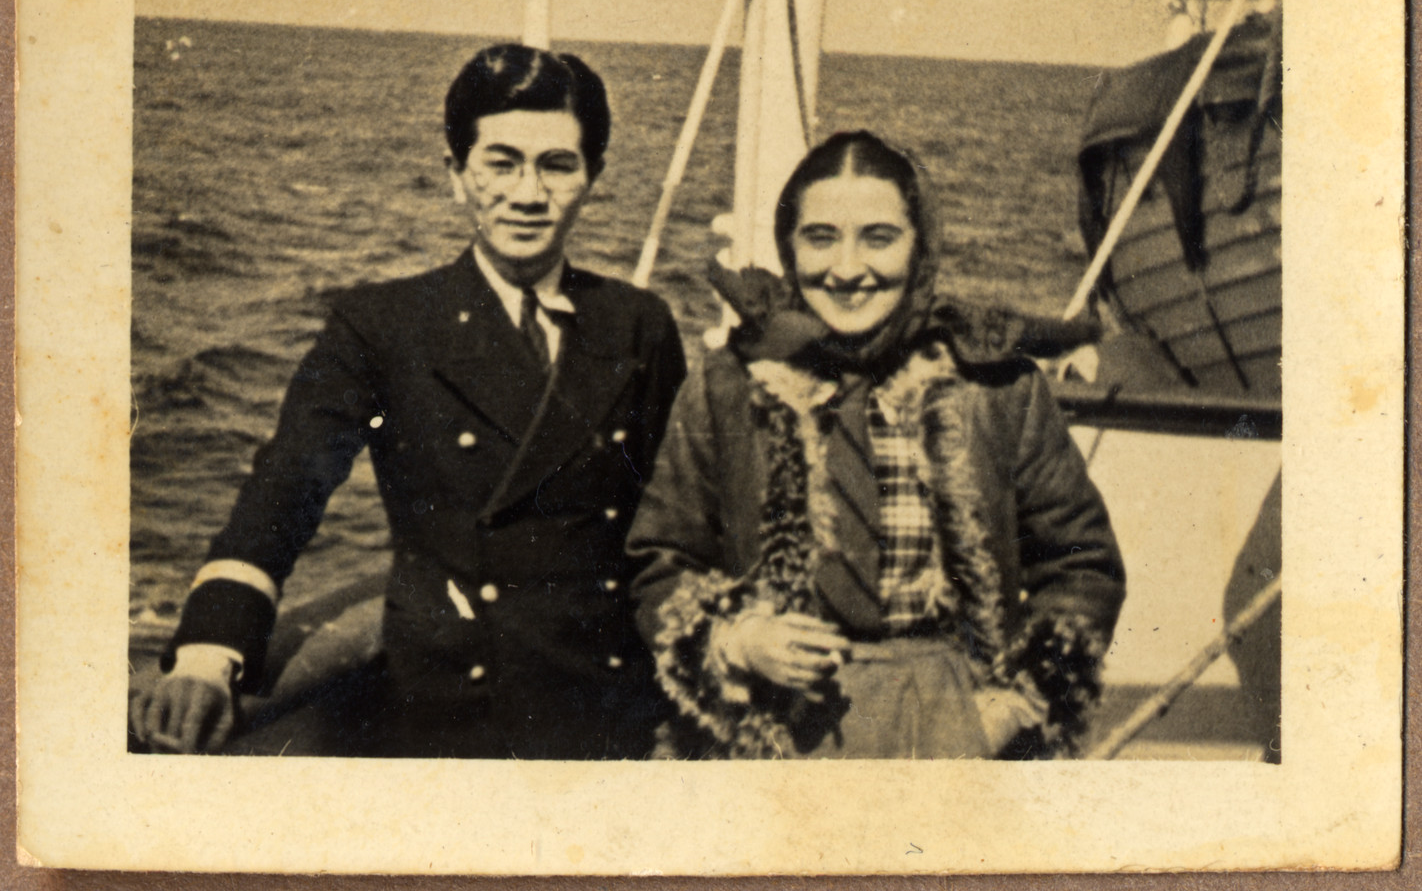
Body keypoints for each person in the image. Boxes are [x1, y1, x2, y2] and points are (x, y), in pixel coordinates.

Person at [131, 44, 687, 759]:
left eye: (557, 165)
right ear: (456, 175)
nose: (527, 194)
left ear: (592, 177)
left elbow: (672, 530)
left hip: (610, 706)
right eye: (501, 162)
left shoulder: (638, 324)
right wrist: (209, 654)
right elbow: (286, 489)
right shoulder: (384, 325)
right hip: (452, 712)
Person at [626, 131, 1125, 759]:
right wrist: (740, 640)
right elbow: (661, 560)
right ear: (789, 245)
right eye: (821, 237)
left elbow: (1083, 564)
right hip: (776, 726)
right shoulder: (731, 383)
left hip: (954, 717)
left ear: (920, 247)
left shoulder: (995, 387)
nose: (847, 268)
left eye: (879, 238)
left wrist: (1011, 705)